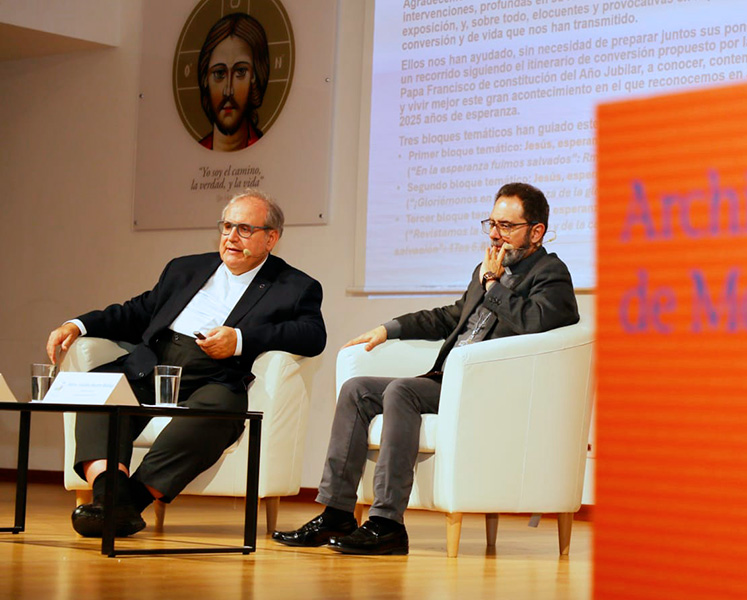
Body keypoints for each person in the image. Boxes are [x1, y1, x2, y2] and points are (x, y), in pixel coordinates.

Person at [273, 182, 579, 555]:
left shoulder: (551, 273)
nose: (496, 235)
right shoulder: (486, 270)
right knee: (357, 389)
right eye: (491, 224)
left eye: (507, 226)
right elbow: (451, 317)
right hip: (450, 380)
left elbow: (537, 324)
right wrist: (389, 329)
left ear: (536, 231)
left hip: (490, 388)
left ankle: (387, 524)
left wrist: (494, 285)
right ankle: (337, 512)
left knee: (402, 390)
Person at [46, 190, 327, 538]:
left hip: (214, 376)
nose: (231, 237)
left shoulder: (295, 286)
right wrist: (78, 324)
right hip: (152, 364)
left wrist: (239, 340)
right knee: (96, 389)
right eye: (226, 226)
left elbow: (313, 335)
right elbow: (137, 312)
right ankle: (111, 498)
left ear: (272, 238)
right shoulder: (185, 268)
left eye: (244, 229)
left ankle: (124, 503)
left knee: (219, 412)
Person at [196, 13, 270, 152]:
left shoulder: (269, 151)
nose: (228, 90)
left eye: (240, 72)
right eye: (219, 73)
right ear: (205, 79)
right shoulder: (190, 155)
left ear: (254, 77)